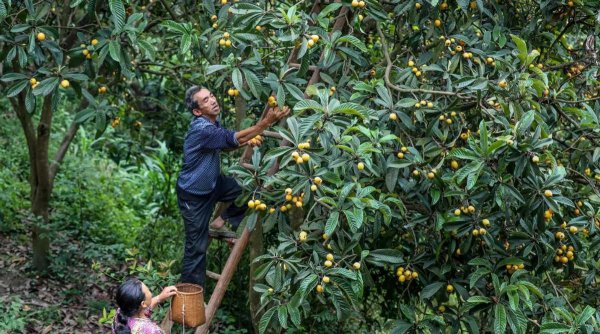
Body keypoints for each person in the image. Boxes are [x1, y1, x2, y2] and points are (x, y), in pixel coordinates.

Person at [176, 86, 289, 288]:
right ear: (197, 111)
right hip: (194, 197)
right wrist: (266, 123)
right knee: (196, 249)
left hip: (212, 185)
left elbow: (226, 145)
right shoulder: (202, 128)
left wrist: (247, 140)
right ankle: (189, 300)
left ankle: (222, 219)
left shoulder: (212, 122)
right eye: (205, 100)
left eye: (211, 95)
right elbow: (231, 138)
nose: (212, 100)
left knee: (248, 187)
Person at [112, 278, 178, 334]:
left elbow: (144, 308)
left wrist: (160, 297)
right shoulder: (151, 330)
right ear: (143, 304)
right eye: (148, 290)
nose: (150, 291)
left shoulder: (120, 313)